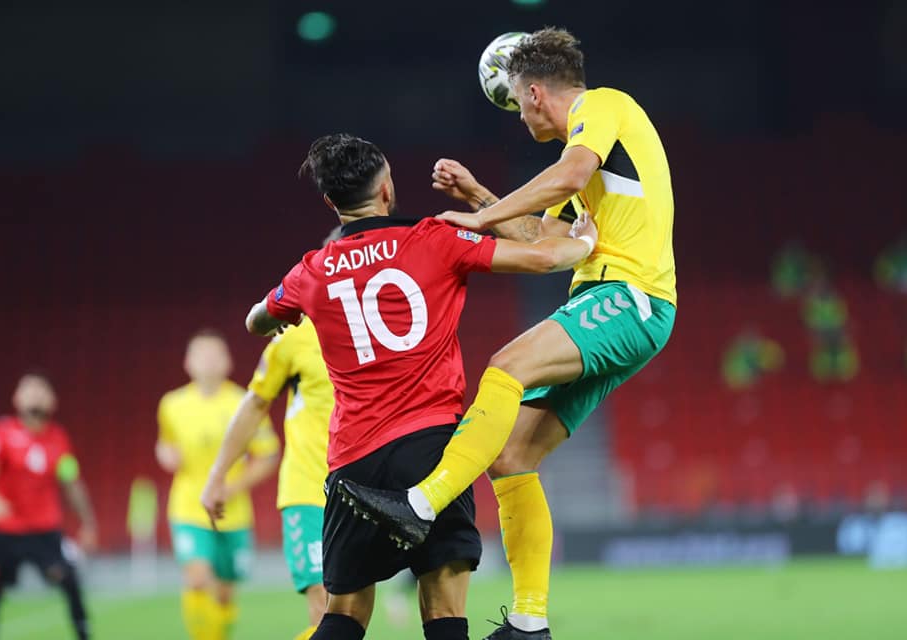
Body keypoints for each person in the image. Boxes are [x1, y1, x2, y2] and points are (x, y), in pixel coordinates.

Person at [342, 27, 676, 639]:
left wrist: (479, 218)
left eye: (517, 103)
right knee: (511, 456)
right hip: (615, 302)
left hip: (631, 297)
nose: (519, 117)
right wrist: (480, 196)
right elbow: (543, 242)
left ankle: (420, 503)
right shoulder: (588, 167)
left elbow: (570, 174)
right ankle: (529, 622)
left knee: (506, 365)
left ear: (536, 93)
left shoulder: (604, 107)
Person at [234, 133, 598, 640]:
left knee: (342, 617)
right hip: (433, 453)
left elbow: (256, 319)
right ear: (386, 189)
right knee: (445, 615)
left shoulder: (310, 271)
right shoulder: (432, 238)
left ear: (331, 202)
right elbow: (541, 258)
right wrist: (585, 242)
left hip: (355, 460)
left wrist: (279, 316)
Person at [201, 230, 341, 640]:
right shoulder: (295, 337)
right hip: (309, 490)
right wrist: (217, 475)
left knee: (352, 615)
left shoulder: (382, 328)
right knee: (326, 611)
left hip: (366, 490)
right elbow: (254, 405)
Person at [156, 330, 280, 640]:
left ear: (228, 362)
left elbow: (268, 455)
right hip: (189, 506)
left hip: (232, 511)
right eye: (201, 354)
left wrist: (232, 488)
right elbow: (165, 443)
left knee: (224, 593)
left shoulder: (245, 403)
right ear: (188, 362)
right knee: (197, 579)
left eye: (215, 355)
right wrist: (165, 454)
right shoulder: (172, 404)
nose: (208, 361)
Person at [0, 372, 97, 640]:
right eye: (28, 390)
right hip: (6, 531)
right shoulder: (3, 433)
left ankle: (84, 633)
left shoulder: (58, 438)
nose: (35, 396)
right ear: (16, 398)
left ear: (53, 400)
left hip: (44, 532)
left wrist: (88, 522)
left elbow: (71, 482)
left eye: (41, 390)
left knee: (69, 580)